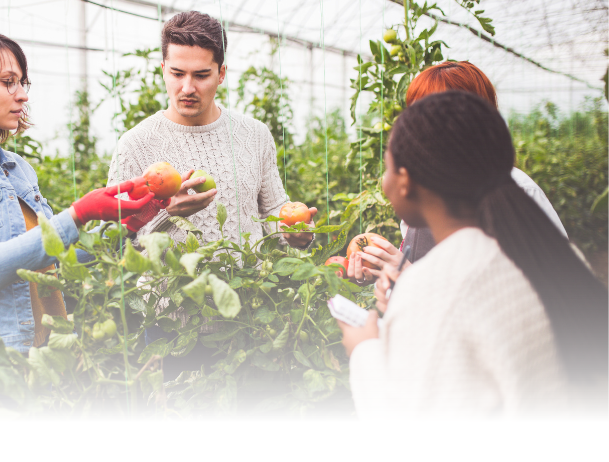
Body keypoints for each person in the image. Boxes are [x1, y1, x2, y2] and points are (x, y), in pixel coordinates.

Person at [0, 29, 163, 372]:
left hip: (42, 356)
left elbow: (56, 259)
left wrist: (128, 226)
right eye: (8, 82)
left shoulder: (17, 168)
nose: (22, 95)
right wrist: (79, 213)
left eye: (23, 83)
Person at [338, 91, 608, 417]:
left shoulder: (433, 285)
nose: (384, 180)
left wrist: (364, 349)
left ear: (405, 181)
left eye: (387, 167)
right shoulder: (554, 254)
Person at [105, 11, 315, 380]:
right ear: (163, 69)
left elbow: (273, 209)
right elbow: (116, 239)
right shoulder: (136, 145)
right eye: (177, 73)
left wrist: (295, 232)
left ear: (221, 73)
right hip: (171, 323)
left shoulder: (254, 135)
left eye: (201, 75)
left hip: (247, 315)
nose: (188, 87)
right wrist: (168, 213)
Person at [346, 61, 567, 285]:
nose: (417, 124)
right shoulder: (422, 189)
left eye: (435, 113)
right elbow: (422, 264)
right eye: (415, 111)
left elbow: (548, 289)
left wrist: (411, 279)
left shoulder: (519, 190)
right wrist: (386, 273)